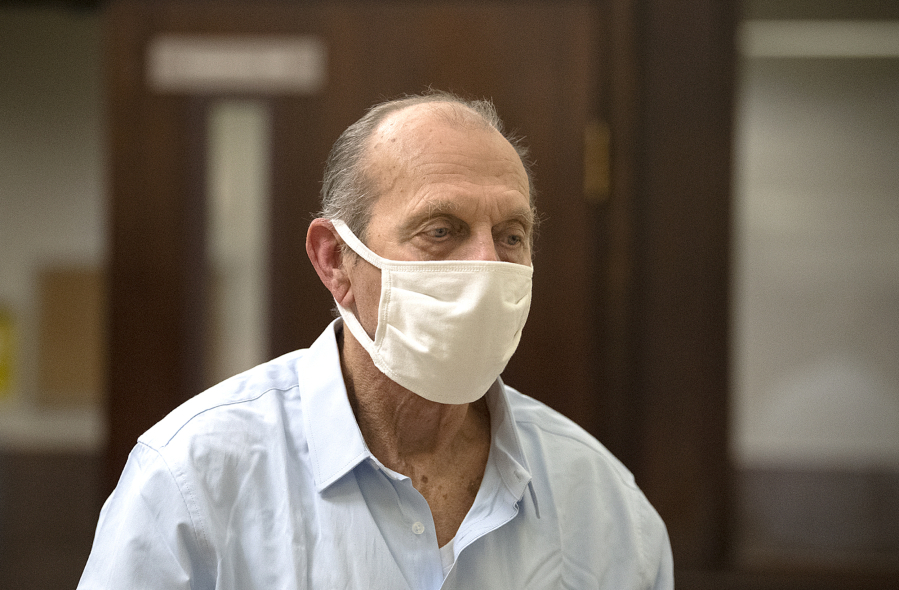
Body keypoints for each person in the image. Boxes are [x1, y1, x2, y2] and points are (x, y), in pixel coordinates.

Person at [78, 91, 673, 589]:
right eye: (442, 230)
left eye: (512, 236)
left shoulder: (604, 503)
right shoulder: (194, 481)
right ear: (335, 260)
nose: (488, 264)